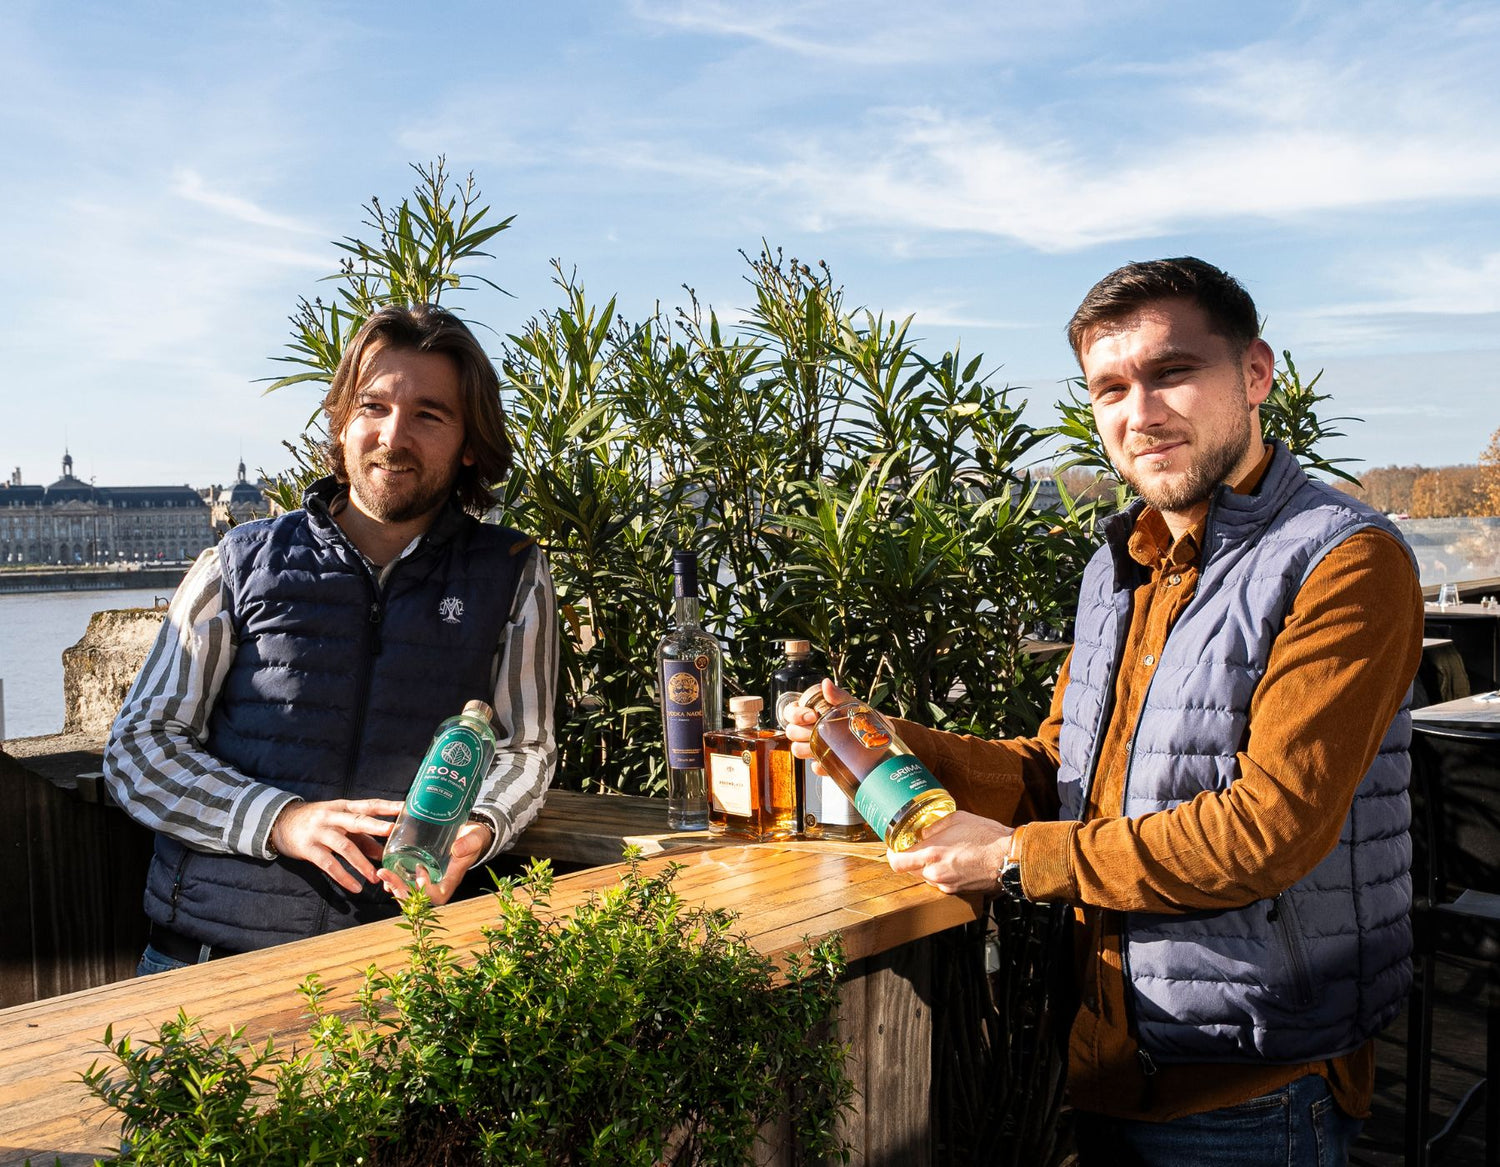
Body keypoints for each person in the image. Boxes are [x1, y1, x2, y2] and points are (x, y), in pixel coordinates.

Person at [786, 258, 1422, 1166]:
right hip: (1107, 1059)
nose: (1141, 413)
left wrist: (1012, 858)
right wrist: (885, 740)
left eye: (1172, 373)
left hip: (1252, 1090)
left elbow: (1269, 829)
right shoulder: (1121, 565)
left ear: (1255, 374)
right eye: (1111, 388)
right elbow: (1062, 772)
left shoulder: (1345, 561)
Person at [105, 303, 559, 971]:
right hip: (201, 963)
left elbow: (526, 747)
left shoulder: (512, 572)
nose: (393, 436)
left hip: (400, 970)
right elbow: (138, 748)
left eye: (429, 415)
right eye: (373, 406)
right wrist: (278, 820)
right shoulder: (238, 561)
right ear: (342, 419)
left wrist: (479, 828)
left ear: (469, 443)